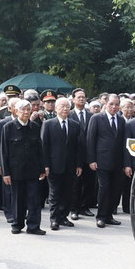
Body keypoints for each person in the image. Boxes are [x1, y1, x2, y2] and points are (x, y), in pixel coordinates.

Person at [0, 99, 46, 235]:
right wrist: (6, 173)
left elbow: (40, 150)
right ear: (16, 111)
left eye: (28, 109)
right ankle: (17, 224)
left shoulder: (35, 127)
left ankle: (33, 226)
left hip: (33, 169)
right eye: (23, 110)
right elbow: (4, 152)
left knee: (34, 199)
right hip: (16, 170)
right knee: (18, 199)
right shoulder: (8, 127)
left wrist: (42, 169)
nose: (26, 112)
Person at [41, 98, 84, 231]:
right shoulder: (48, 124)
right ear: (56, 108)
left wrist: (79, 164)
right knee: (55, 193)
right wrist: (45, 165)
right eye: (62, 106)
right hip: (54, 164)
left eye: (67, 106)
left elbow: (79, 147)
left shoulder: (75, 125)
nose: (65, 109)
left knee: (67, 192)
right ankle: (54, 219)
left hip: (70, 165)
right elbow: (44, 146)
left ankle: (63, 217)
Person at [87, 94, 125, 228]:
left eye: (116, 104)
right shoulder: (97, 118)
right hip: (102, 160)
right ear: (106, 104)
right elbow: (90, 139)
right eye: (111, 104)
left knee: (115, 189)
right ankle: (101, 216)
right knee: (104, 188)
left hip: (117, 161)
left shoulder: (121, 120)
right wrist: (91, 159)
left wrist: (125, 163)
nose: (114, 107)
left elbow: (123, 142)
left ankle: (109, 216)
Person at [68, 88, 95, 220]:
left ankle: (84, 207)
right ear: (73, 99)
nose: (81, 99)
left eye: (83, 97)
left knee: (88, 183)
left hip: (89, 154)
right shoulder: (69, 114)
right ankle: (74, 209)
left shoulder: (92, 116)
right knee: (75, 184)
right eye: (79, 97)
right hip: (74, 155)